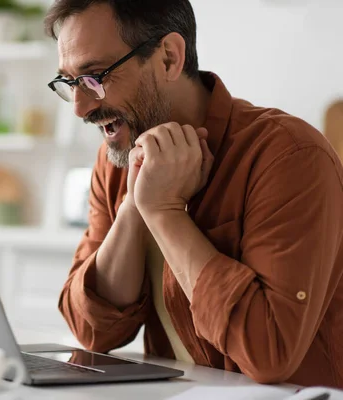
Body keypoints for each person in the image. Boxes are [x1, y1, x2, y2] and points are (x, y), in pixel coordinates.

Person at [44, 0, 343, 387]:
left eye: (95, 75)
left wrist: (164, 212)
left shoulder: (289, 155)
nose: (80, 108)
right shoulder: (115, 157)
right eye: (69, 83)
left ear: (169, 58)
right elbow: (92, 332)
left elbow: (270, 353)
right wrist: (134, 207)